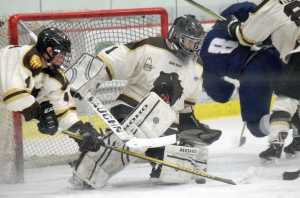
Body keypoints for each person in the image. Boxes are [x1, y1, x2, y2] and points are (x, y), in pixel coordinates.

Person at [69, 15, 222, 189]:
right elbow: (111, 61)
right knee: (140, 127)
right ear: (176, 36)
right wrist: (84, 80)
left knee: (179, 165)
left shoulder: (197, 66)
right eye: (189, 42)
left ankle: (160, 162)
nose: (193, 48)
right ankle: (88, 168)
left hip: (164, 123)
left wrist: (193, 129)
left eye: (196, 44)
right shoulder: (149, 47)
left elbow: (186, 108)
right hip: (129, 109)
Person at [0, 27, 101, 153]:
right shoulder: (21, 56)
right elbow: (13, 98)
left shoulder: (53, 74)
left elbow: (62, 108)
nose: (63, 58)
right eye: (61, 53)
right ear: (49, 50)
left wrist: (79, 130)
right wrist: (40, 114)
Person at [221, 0, 300, 161]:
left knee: (287, 98)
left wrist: (232, 25)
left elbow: (246, 37)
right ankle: (298, 141)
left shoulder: (272, 4)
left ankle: (276, 142)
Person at [200, 1, 284, 141]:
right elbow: (250, 8)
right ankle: (292, 120)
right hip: (277, 56)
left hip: (253, 75)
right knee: (291, 95)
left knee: (257, 127)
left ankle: (283, 123)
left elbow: (222, 95)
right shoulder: (223, 22)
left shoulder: (204, 64)